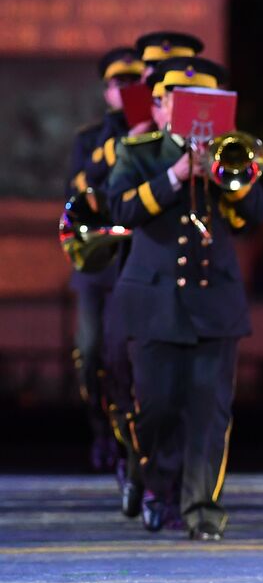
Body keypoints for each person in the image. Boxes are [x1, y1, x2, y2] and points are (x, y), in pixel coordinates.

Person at [107, 55, 263, 540]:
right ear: (161, 106)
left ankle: (201, 508)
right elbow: (121, 208)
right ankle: (153, 483)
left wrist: (226, 180)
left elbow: (255, 216)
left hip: (214, 304)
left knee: (209, 411)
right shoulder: (139, 152)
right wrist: (176, 174)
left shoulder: (231, 151)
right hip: (155, 304)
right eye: (175, 98)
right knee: (155, 407)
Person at [67, 47, 145, 475]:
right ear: (107, 91)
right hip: (99, 261)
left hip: (135, 261)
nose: (126, 89)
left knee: (122, 354)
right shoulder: (89, 138)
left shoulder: (151, 132)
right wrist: (113, 152)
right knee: (91, 350)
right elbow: (79, 190)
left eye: (135, 81)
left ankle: (126, 436)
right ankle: (101, 429)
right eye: (119, 83)